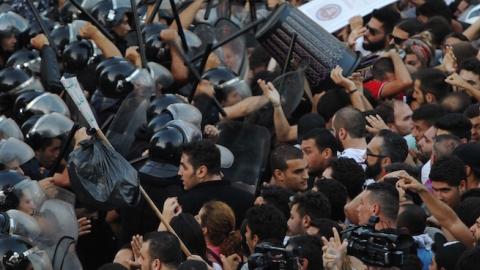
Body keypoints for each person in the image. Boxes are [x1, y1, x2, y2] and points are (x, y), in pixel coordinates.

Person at [177, 140, 254, 224]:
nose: (179, 173)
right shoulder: (248, 200)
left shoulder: (184, 205)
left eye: (184, 167)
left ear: (201, 171)